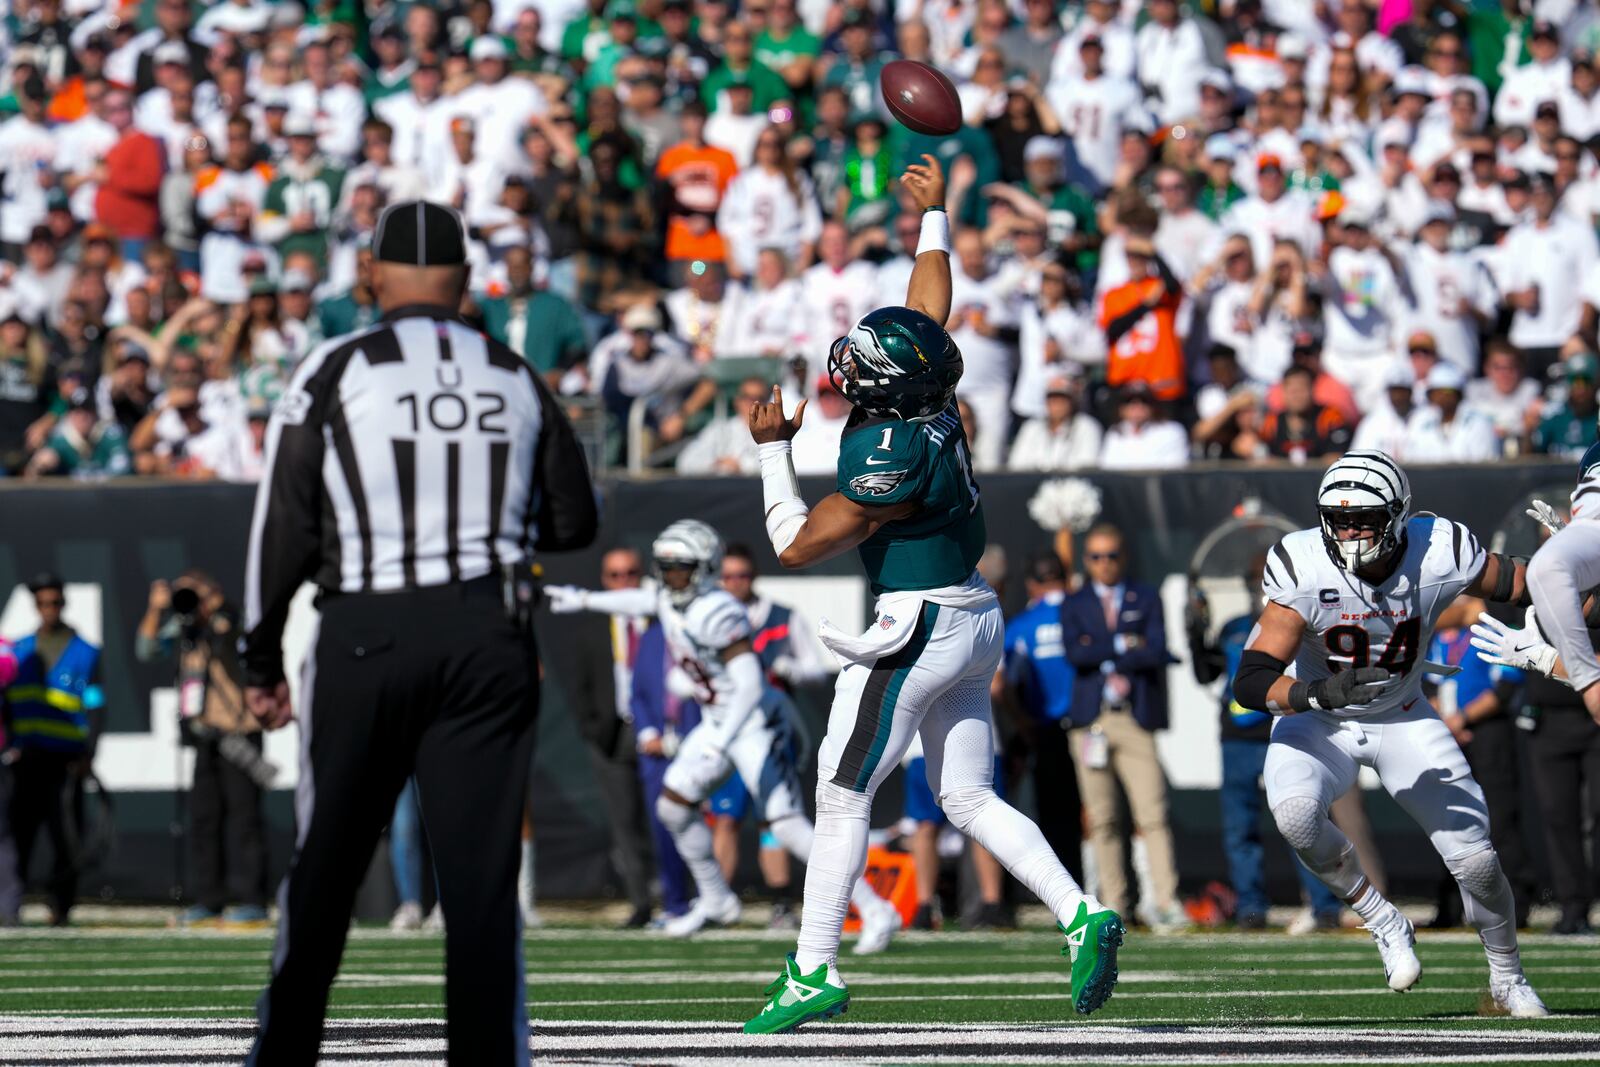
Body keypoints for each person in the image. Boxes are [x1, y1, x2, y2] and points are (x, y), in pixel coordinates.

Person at [742, 154, 1122, 1033]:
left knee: (842, 791)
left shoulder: (889, 453)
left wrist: (770, 451)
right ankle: (1081, 912)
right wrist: (936, 218)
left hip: (915, 625)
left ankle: (812, 969)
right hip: (972, 614)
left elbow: (795, 544)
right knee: (967, 797)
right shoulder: (935, 394)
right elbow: (928, 309)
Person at [238, 201, 599, 1064]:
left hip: (369, 629)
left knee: (324, 868)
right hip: (487, 633)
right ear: (468, 282)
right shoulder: (514, 371)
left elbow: (279, 526)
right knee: (479, 887)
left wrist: (258, 654)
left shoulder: (335, 366)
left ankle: (283, 1053)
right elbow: (575, 519)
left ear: (370, 274)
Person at [1233, 450, 1547, 1016]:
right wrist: (1315, 694)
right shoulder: (1303, 563)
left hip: (1402, 714)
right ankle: (1383, 919)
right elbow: (1251, 680)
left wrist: (1575, 589)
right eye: (1339, 517)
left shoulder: (1440, 550)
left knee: (1475, 860)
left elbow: (1518, 583)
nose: (1349, 532)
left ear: (1400, 514)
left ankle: (1508, 976)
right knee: (1296, 815)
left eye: (1364, 519)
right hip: (1320, 718)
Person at [547, 521, 901, 943]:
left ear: (704, 567)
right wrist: (585, 599)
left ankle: (876, 909)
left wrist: (720, 738)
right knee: (673, 807)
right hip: (720, 721)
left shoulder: (717, 610)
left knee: (787, 826)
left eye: (679, 567)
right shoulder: (670, 598)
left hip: (753, 725)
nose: (669, 576)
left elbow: (750, 683)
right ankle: (716, 898)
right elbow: (642, 598)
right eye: (664, 567)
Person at [1187, 554, 1343, 931]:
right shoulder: (1234, 628)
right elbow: (1206, 672)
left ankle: (1324, 907)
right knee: (1241, 829)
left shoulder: (1303, 626)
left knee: (1303, 817)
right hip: (1239, 736)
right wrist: (1194, 631)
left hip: (1287, 731)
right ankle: (1251, 909)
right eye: (1256, 579)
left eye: (1266, 578)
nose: (1261, 586)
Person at [1059, 522, 1183, 932]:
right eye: (1096, 556)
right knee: (1103, 817)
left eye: (1111, 555)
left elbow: (1156, 649)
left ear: (1123, 557)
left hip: (1133, 715)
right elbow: (1076, 654)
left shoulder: (1145, 596)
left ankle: (1164, 900)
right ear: (1086, 561)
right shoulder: (1075, 602)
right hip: (1091, 721)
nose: (1105, 564)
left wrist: (1107, 650)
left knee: (1153, 812)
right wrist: (1124, 645)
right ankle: (1116, 903)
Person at [135, 571, 269, 926]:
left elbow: (231, 630)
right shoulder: (183, 630)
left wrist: (213, 607)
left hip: (238, 733)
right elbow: (146, 650)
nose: (190, 602)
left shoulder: (226, 620)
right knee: (204, 820)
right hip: (205, 735)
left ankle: (252, 899)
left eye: (194, 595)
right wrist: (156, 609)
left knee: (245, 819)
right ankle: (210, 900)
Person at [1422, 598, 1534, 929]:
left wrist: (1463, 719)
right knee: (1448, 820)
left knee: (1499, 817)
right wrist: (1445, 721)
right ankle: (1450, 906)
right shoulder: (1436, 638)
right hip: (1448, 735)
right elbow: (1427, 683)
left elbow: (1504, 688)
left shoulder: (1496, 632)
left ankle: (1520, 905)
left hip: (1487, 735)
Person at [3, 573, 104, 927]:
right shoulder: (18, 651)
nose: (49, 609)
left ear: (64, 604)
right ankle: (9, 906)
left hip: (65, 760)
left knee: (66, 837)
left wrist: (88, 752)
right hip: (26, 758)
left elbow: (94, 704)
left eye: (55, 602)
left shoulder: (85, 653)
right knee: (19, 835)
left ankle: (61, 909)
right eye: (43, 603)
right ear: (35, 606)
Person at [565, 547, 658, 928]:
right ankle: (642, 901)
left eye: (630, 573)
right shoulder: (591, 627)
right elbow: (580, 686)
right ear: (604, 580)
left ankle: (680, 895)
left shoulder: (658, 621)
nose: (624, 582)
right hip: (612, 732)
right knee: (624, 822)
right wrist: (592, 729)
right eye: (615, 575)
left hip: (657, 732)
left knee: (669, 815)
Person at [999, 551, 1083, 884]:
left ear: (1032, 584)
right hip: (1089, 726)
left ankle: (1062, 889)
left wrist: (1021, 722)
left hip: (1043, 729)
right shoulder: (1082, 613)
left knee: (1052, 816)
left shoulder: (1021, 626)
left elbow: (1003, 685)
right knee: (1100, 813)